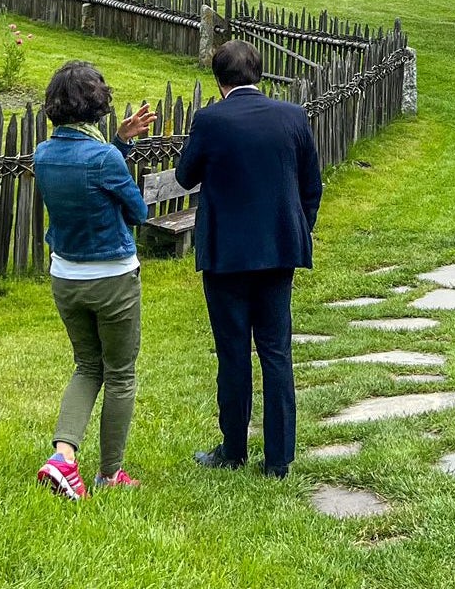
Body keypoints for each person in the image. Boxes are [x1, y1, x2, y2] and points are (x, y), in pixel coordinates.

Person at [176, 39, 323, 479]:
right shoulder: (293, 116)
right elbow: (311, 185)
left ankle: (234, 449)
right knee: (277, 351)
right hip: (279, 250)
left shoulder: (210, 120)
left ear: (218, 79)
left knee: (233, 352)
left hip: (227, 254)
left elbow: (184, 177)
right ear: (259, 73)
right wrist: (299, 229)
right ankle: (279, 458)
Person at [33, 60, 156, 500]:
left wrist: (121, 141)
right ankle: (110, 473)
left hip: (66, 277)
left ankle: (63, 457)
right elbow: (138, 212)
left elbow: (88, 181)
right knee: (120, 374)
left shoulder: (43, 154)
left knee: (87, 366)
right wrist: (118, 150)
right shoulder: (103, 157)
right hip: (113, 279)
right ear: (97, 105)